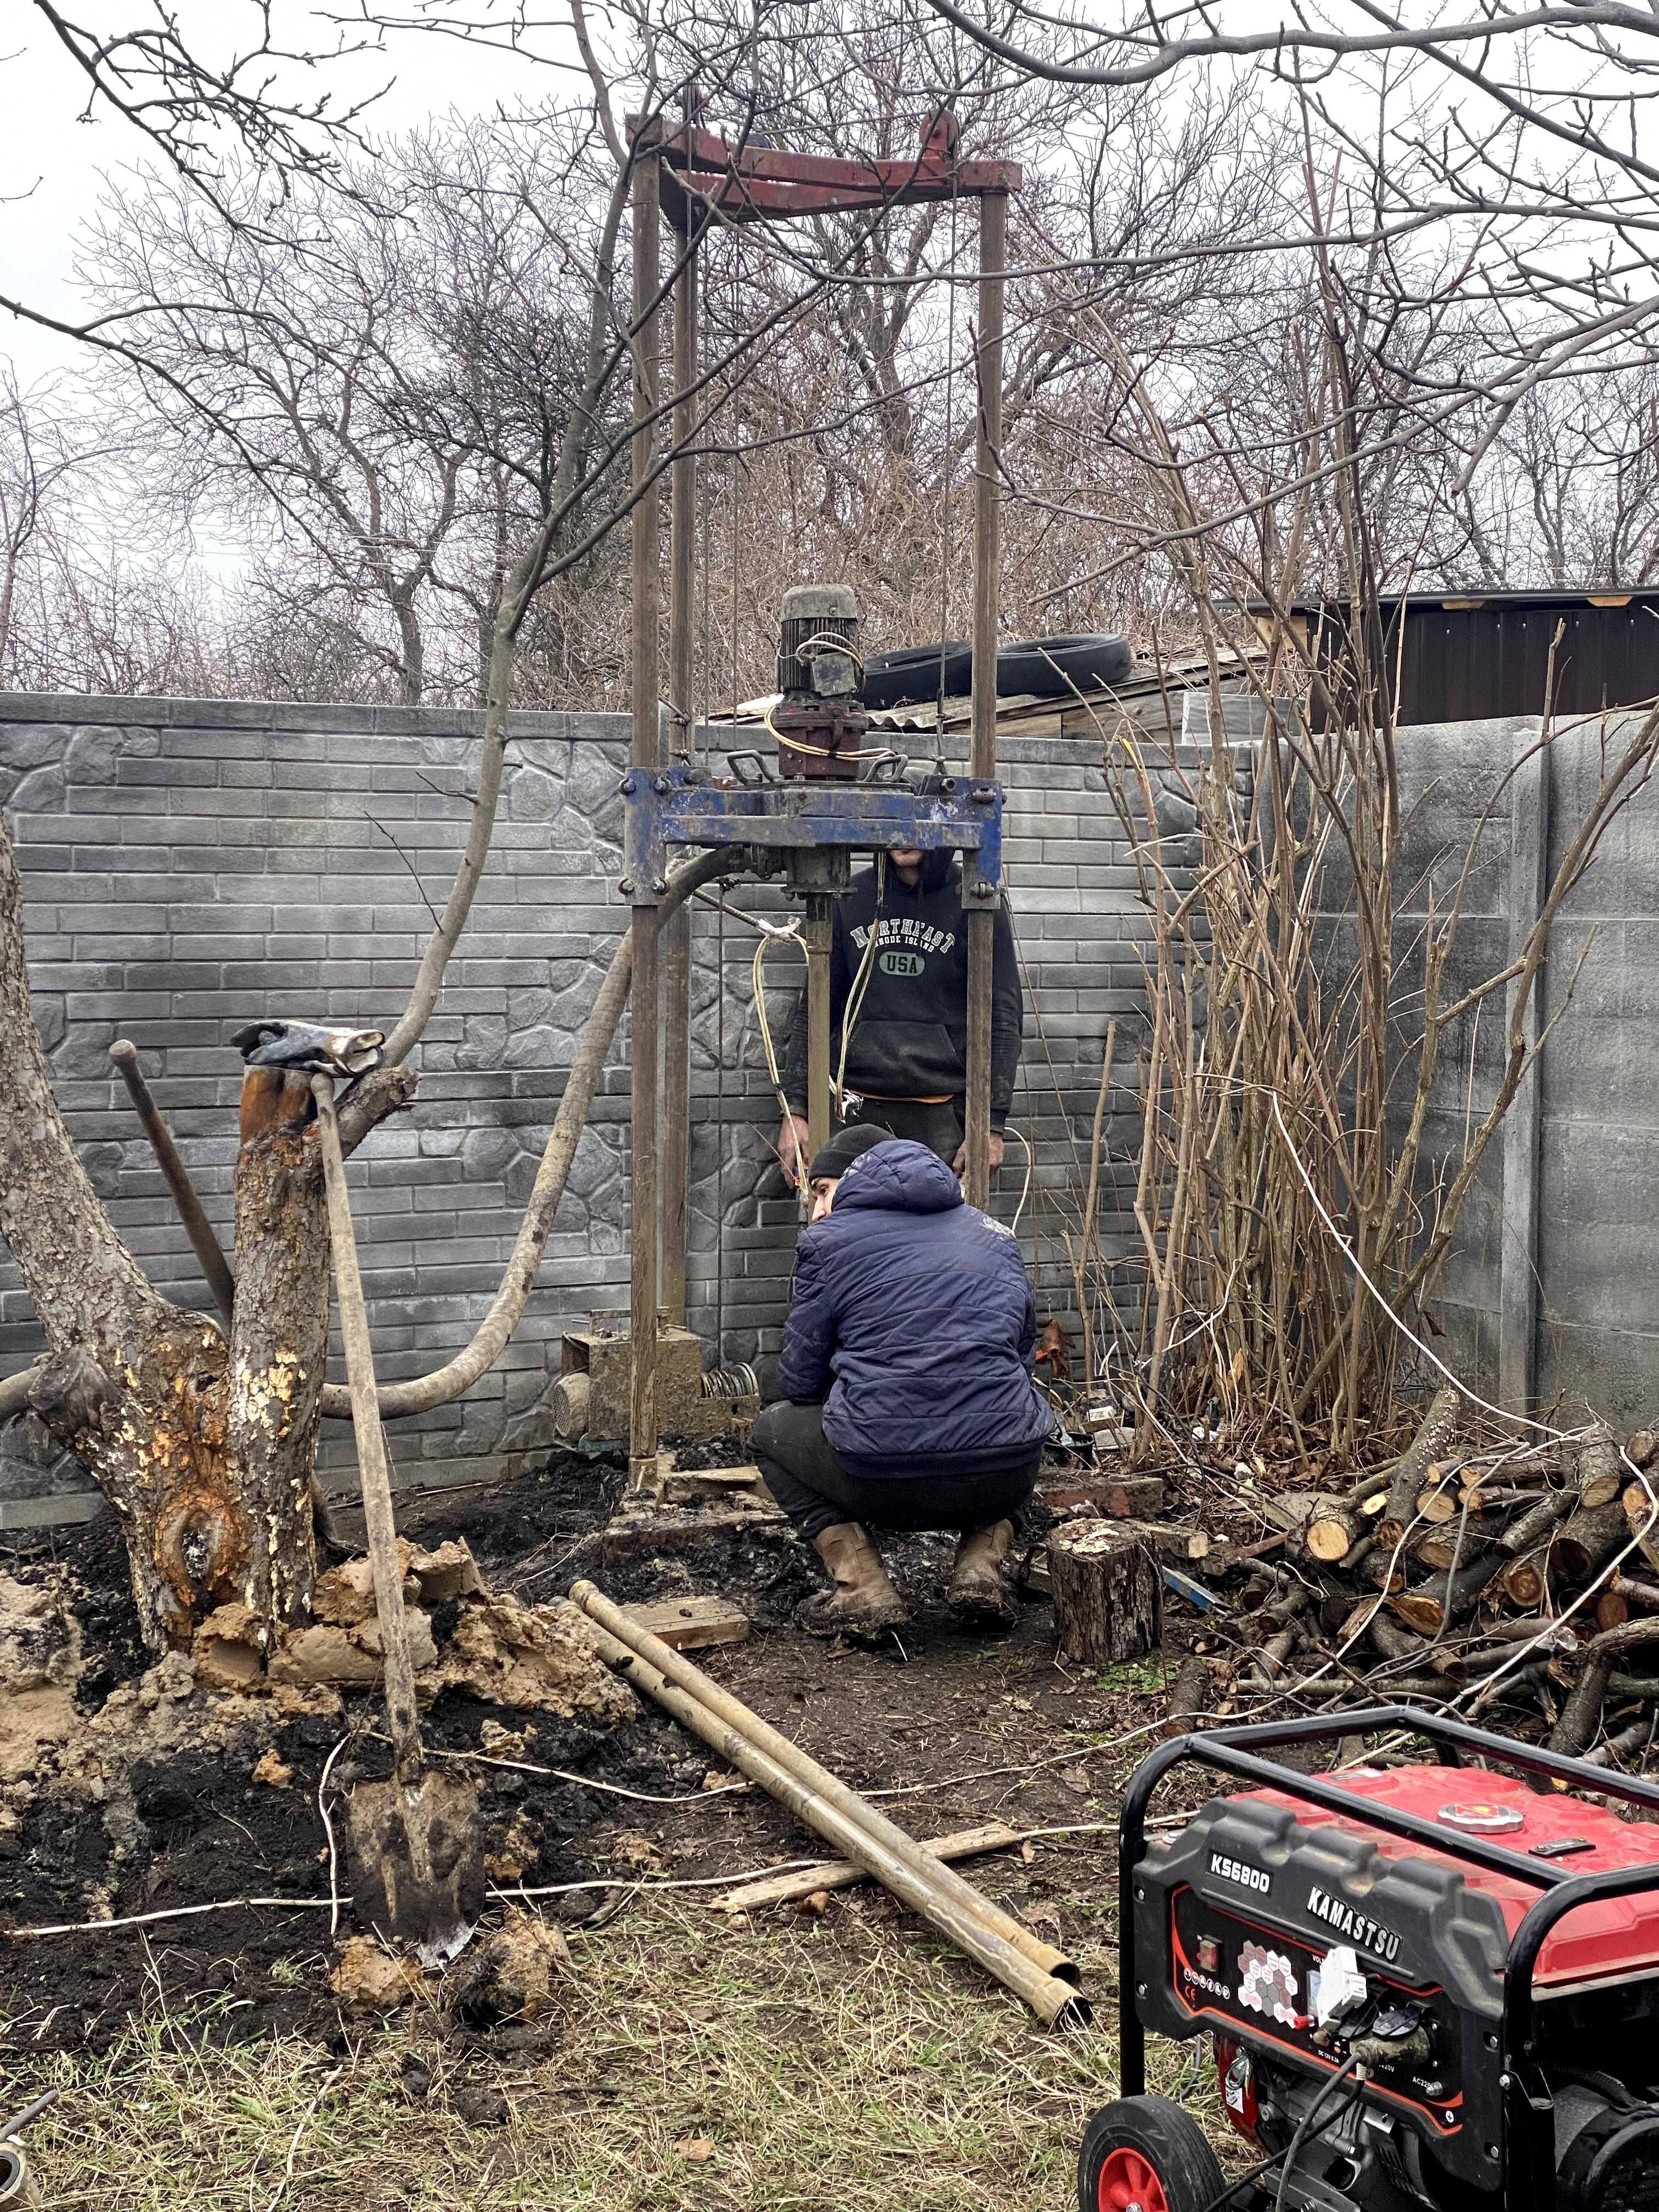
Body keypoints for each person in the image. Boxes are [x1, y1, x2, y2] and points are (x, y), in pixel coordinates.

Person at [750, 1124, 1053, 1635]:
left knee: (768, 1434)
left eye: (823, 1192)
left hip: (881, 1480)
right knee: (1005, 1419)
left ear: (853, 1180)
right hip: (1006, 1478)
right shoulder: (996, 1236)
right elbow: (1019, 1360)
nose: (819, 1209)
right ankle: (981, 1567)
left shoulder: (827, 1245)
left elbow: (799, 1384)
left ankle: (863, 1589)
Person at [777, 843, 1022, 1180]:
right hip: (853, 1110)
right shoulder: (850, 896)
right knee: (851, 1229)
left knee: (933, 1231)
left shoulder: (974, 898)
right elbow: (816, 1011)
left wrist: (991, 1124)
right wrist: (796, 1111)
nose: (903, 839)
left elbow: (1002, 1017)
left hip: (942, 1116)